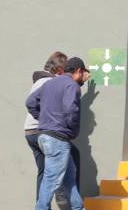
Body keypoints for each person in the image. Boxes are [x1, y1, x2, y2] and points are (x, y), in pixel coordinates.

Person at [27, 56, 89, 210]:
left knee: (69, 178)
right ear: (78, 71)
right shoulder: (72, 85)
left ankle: (78, 207)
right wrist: (71, 130)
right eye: (83, 74)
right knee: (51, 180)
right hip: (58, 139)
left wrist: (43, 118)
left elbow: (30, 102)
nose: (83, 78)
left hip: (44, 136)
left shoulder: (50, 83)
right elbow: (70, 110)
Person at [25, 52, 67, 198]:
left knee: (43, 172)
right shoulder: (50, 82)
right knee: (64, 165)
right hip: (41, 131)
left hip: (29, 131)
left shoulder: (39, 81)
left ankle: (41, 205)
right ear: (60, 70)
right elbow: (32, 103)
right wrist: (44, 119)